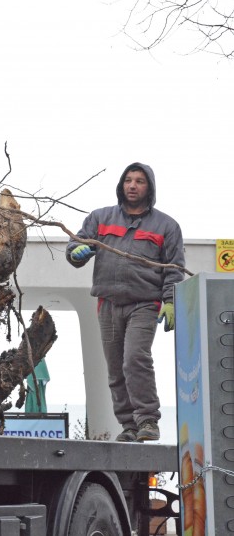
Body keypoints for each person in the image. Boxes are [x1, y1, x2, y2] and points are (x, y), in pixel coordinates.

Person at [66, 163, 184, 443]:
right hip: (107, 303)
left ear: (149, 188)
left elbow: (175, 267)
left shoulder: (166, 226)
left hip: (144, 304)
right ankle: (129, 425)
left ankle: (148, 421)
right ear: (121, 185)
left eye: (140, 181)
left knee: (135, 359)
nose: (133, 185)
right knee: (116, 367)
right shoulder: (100, 217)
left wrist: (170, 300)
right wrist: (77, 253)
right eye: (128, 180)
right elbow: (75, 246)